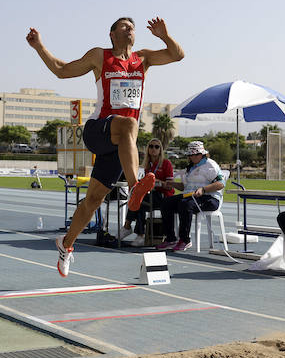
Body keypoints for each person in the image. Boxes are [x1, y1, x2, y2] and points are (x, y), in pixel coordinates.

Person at [26, 16, 184, 276]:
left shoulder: (143, 58)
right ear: (111, 34)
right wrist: (39, 46)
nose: (130, 28)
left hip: (121, 143)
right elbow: (61, 69)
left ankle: (66, 245)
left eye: (132, 26)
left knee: (94, 199)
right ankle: (135, 187)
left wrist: (164, 35)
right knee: (130, 125)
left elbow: (177, 55)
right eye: (124, 25)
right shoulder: (100, 56)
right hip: (98, 129)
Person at [156, 141, 224, 251]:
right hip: (189, 195)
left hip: (210, 198)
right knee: (166, 203)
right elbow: (185, 187)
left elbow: (220, 184)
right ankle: (171, 239)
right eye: (190, 155)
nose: (191, 157)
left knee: (185, 205)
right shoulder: (191, 167)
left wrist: (203, 189)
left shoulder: (210, 165)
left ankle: (185, 240)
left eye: (193, 154)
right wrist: (171, 184)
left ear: (201, 154)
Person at [120, 138, 174, 247]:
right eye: (151, 146)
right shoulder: (148, 165)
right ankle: (134, 231)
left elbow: (170, 186)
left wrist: (158, 182)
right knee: (138, 198)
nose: (153, 149)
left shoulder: (166, 163)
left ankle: (134, 231)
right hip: (151, 194)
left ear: (160, 150)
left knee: (139, 200)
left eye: (156, 146)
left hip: (164, 196)